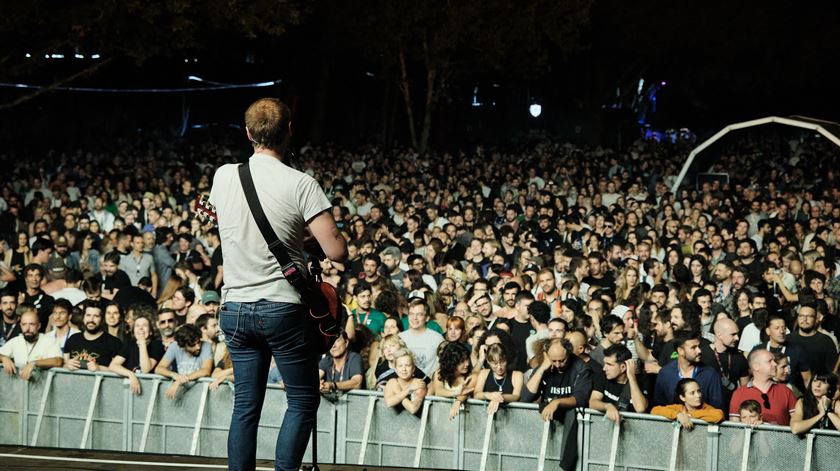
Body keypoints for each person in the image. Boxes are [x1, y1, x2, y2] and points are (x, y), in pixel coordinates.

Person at [210, 97, 348, 471]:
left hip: (235, 307)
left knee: (245, 406)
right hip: (281, 308)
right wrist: (302, 242)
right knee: (302, 401)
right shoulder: (301, 183)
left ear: (248, 132)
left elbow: (234, 227)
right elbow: (335, 250)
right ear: (289, 130)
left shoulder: (224, 176)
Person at [525, 338, 591, 471]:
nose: (558, 365)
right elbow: (526, 397)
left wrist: (557, 402)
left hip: (570, 422)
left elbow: (580, 399)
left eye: (562, 360)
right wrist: (543, 367)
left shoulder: (581, 368)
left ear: (569, 354)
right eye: (553, 360)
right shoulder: (546, 365)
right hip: (546, 421)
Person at [654, 332, 724, 410]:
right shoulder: (665, 373)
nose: (699, 351)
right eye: (693, 347)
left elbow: (717, 408)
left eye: (699, 346)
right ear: (680, 351)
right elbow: (659, 406)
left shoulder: (710, 374)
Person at [729, 349, 798, 426]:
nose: (775, 364)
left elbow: (798, 423)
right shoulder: (739, 394)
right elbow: (734, 429)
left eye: (774, 361)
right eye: (770, 361)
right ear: (756, 367)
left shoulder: (786, 391)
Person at [589, 344, 648, 422]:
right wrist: (607, 406)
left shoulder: (642, 381)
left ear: (623, 367)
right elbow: (593, 402)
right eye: (605, 363)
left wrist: (632, 377)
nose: (604, 368)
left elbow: (640, 409)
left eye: (609, 364)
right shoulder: (602, 376)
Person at [109, 314, 165, 394]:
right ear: (134, 331)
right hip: (130, 390)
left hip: (149, 390)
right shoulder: (129, 344)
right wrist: (131, 374)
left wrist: (142, 344)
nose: (141, 328)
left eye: (144, 325)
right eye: (137, 326)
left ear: (150, 332)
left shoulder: (157, 345)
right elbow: (113, 365)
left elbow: (145, 369)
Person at [154, 324, 213, 399]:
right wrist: (174, 375)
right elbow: (158, 369)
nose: (198, 347)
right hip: (182, 395)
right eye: (193, 345)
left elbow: (206, 370)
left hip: (200, 394)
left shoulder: (206, 346)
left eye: (198, 342)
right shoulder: (175, 346)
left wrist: (180, 380)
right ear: (183, 346)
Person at [0, 308, 62, 380]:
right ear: (20, 325)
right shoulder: (16, 341)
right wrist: (4, 358)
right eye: (24, 324)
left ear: (38, 326)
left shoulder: (49, 341)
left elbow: (58, 361)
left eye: (31, 324)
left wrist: (34, 363)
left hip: (42, 389)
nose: (27, 329)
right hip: (19, 388)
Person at [63, 301, 123, 372]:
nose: (91, 320)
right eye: (88, 315)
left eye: (96, 316)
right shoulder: (73, 339)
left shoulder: (114, 343)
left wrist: (100, 368)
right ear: (83, 317)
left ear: (102, 319)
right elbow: (63, 365)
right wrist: (67, 365)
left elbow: (119, 371)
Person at [651, 378, 724, 430]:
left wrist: (690, 416)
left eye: (698, 391)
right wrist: (678, 415)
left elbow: (719, 415)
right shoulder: (679, 408)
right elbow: (655, 410)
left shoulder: (706, 408)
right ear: (682, 397)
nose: (698, 395)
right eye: (692, 393)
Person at [429, 342, 477, 419]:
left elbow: (466, 393)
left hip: (466, 419)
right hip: (443, 417)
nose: (467, 364)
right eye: (462, 361)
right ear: (452, 362)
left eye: (467, 359)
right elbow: (439, 392)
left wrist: (458, 401)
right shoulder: (439, 373)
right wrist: (457, 392)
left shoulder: (472, 376)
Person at [474, 343, 524, 414]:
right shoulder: (484, 373)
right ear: (488, 361)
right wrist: (490, 395)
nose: (499, 367)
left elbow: (516, 396)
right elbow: (476, 394)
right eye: (495, 364)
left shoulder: (517, 375)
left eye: (502, 362)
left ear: (506, 359)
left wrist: (499, 397)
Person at [399, 299, 444, 376]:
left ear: (427, 318)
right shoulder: (400, 338)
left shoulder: (437, 338)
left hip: (429, 384)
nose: (414, 318)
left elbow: (443, 365)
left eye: (419, 314)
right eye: (411, 314)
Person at [383, 348, 427, 414]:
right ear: (396, 369)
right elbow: (389, 403)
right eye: (400, 366)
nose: (404, 369)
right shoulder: (392, 382)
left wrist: (397, 391)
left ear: (413, 369)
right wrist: (409, 390)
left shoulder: (419, 383)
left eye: (407, 365)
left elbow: (413, 409)